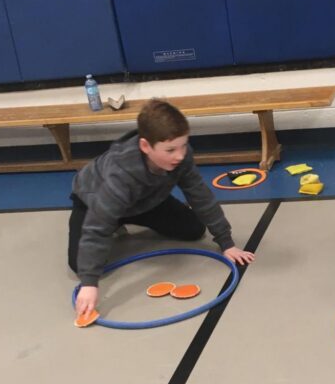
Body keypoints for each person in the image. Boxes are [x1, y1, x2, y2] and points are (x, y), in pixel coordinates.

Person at [68, 98, 255, 317]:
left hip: (146, 200)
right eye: (170, 150)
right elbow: (98, 225)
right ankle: (116, 223)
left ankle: (125, 220)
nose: (180, 155)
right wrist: (89, 283)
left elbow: (200, 195)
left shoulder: (180, 156)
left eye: (183, 145)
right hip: (94, 201)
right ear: (145, 146)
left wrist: (226, 243)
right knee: (79, 264)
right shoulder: (121, 173)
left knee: (194, 230)